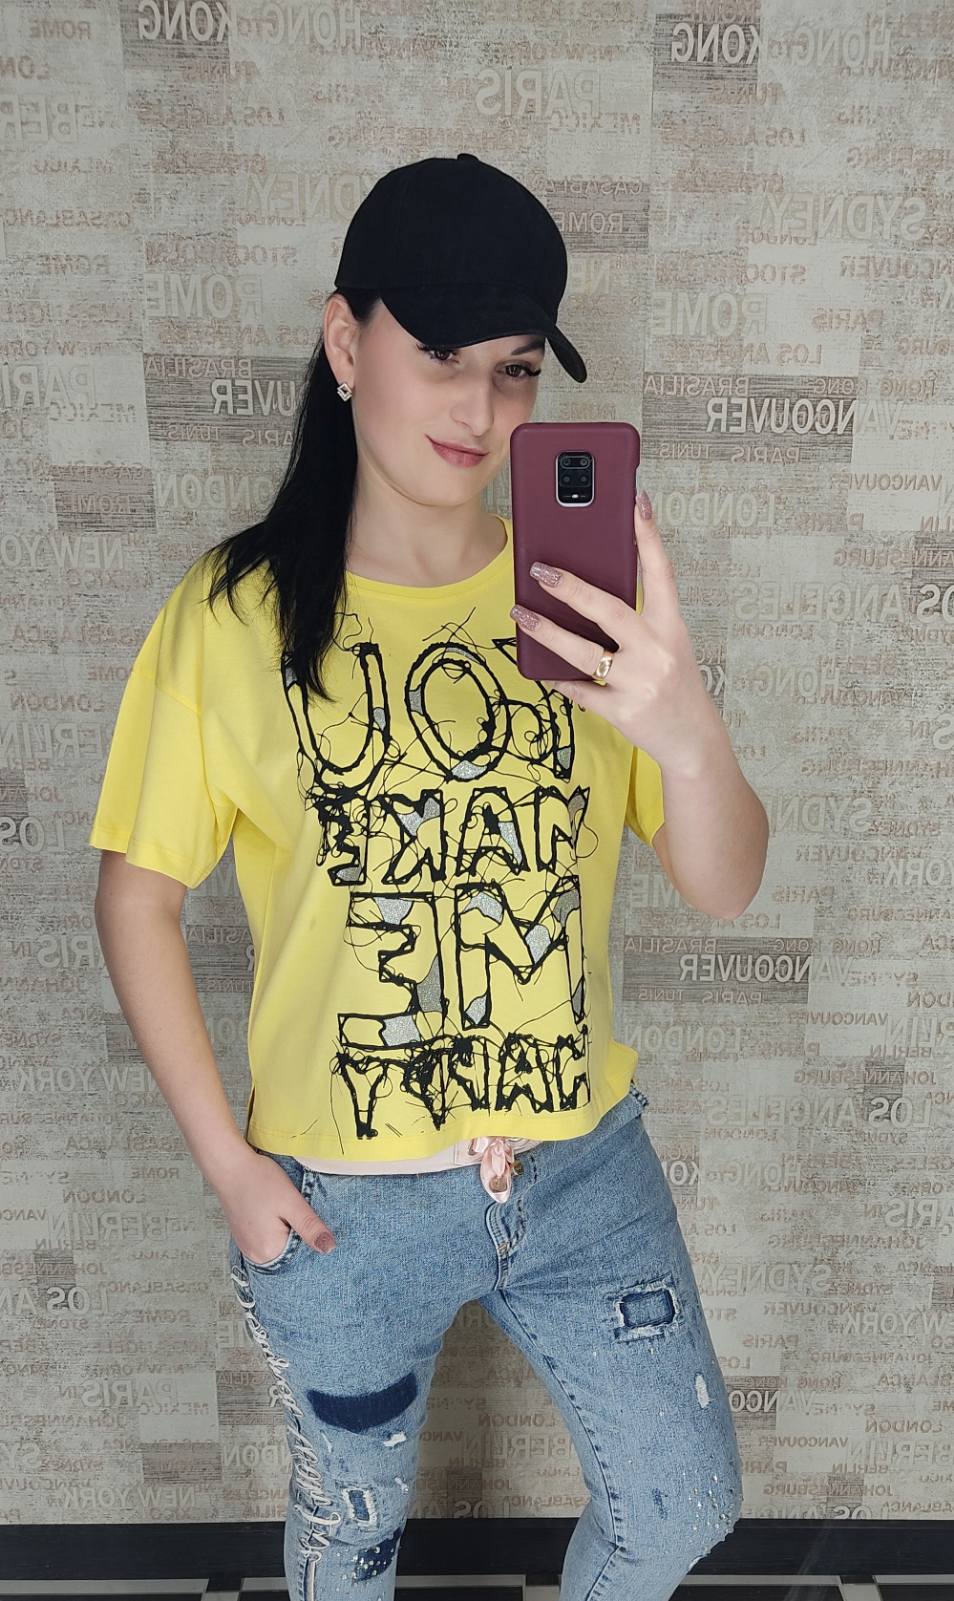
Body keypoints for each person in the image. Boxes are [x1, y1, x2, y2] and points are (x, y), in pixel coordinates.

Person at [89, 154, 748, 1601]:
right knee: (351, 1541)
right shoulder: (232, 617)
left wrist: (683, 722)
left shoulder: (587, 607)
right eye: (440, 354)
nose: (479, 409)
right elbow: (137, 896)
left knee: (683, 1500)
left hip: (582, 1169)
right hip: (344, 1204)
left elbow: (724, 883)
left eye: (514, 369)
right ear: (345, 343)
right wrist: (229, 1166)